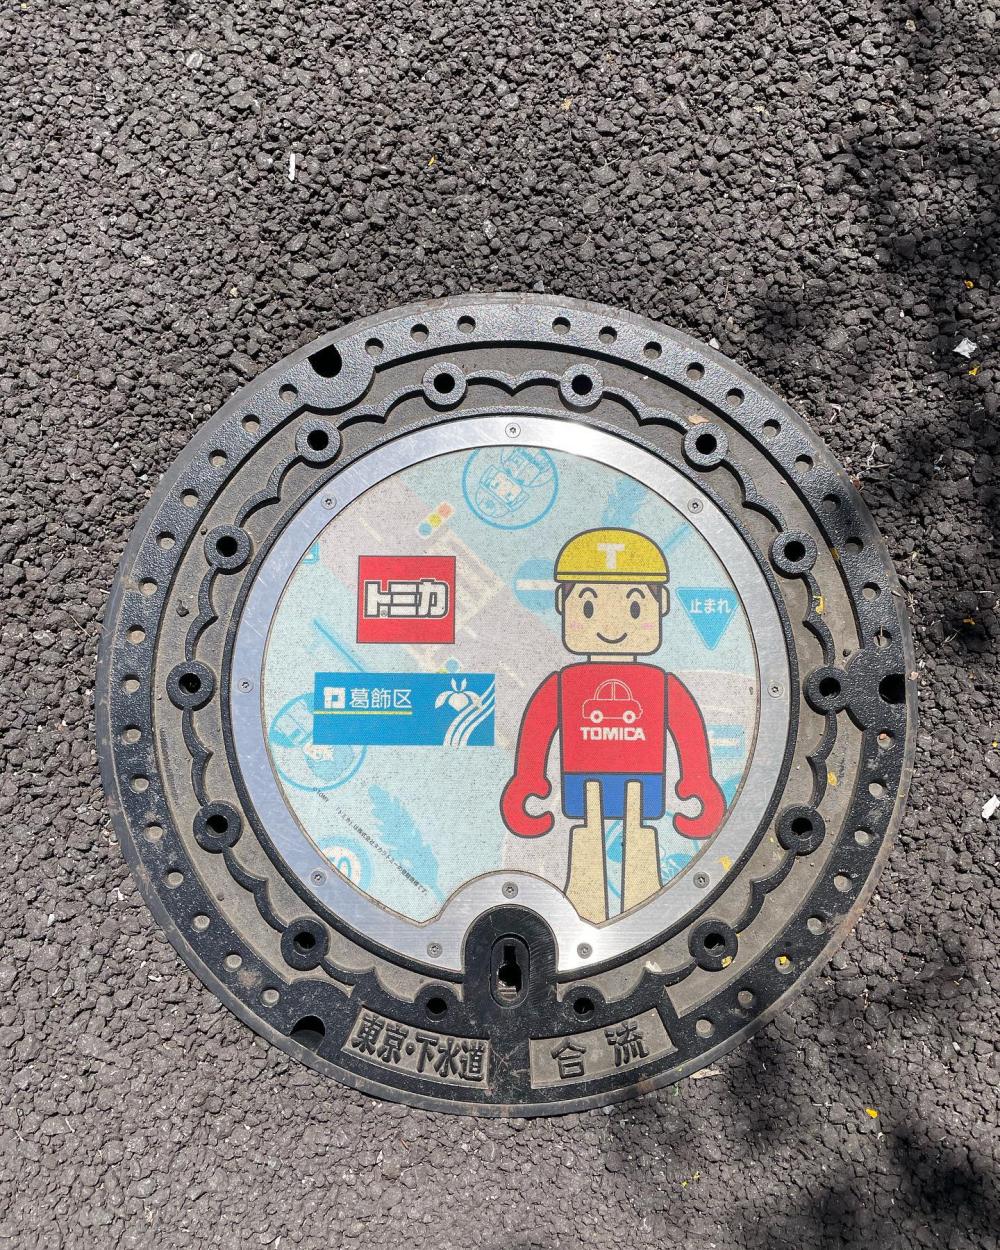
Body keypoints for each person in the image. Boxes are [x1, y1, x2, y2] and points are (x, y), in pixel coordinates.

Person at [501, 528, 725, 923]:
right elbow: (539, 727)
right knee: (587, 833)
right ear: (562, 604)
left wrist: (698, 779)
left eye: (634, 607)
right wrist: (528, 777)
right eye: (588, 607)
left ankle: (645, 904)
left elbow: (687, 729)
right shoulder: (567, 683)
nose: (611, 625)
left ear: (662, 605)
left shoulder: (659, 684)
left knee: (638, 832)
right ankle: (584, 906)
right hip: (583, 777)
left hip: (643, 777)